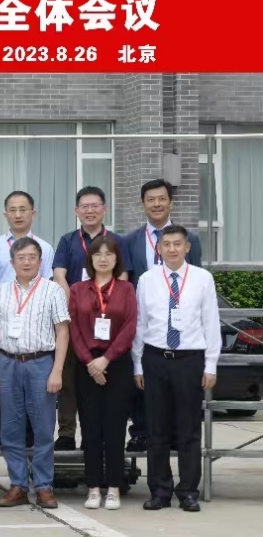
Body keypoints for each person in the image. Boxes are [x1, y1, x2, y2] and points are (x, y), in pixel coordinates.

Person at [133, 225, 220, 513]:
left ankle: (188, 491)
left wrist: (211, 364)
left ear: (187, 247)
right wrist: (137, 364)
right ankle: (159, 491)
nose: (172, 249)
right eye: (166, 244)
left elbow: (210, 322)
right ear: (159, 248)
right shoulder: (147, 280)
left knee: (188, 429)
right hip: (155, 358)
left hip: (189, 360)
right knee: (156, 429)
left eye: (177, 244)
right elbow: (140, 324)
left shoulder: (202, 279)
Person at [121, 178, 203, 453]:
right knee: (142, 377)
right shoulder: (130, 240)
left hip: (181, 323)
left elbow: (197, 278)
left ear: (170, 202)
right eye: (150, 200)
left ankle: (177, 434)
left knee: (180, 384)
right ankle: (141, 432)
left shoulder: (190, 240)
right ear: (142, 204)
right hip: (146, 321)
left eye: (161, 199)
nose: (156, 204)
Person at [0, 238, 70, 510]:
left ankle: (44, 486)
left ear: (40, 261)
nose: (26, 262)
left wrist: (57, 370)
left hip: (40, 363)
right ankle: (18, 485)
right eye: (21, 257)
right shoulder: (0, 291)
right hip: (8, 362)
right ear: (12, 262)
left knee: (43, 428)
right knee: (10, 428)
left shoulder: (52, 290)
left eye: (32, 257)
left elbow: (62, 332)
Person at [51, 186, 128, 451]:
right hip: (74, 319)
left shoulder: (117, 241)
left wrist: (108, 306)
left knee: (104, 376)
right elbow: (59, 275)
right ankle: (66, 433)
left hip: (108, 322)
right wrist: (73, 305)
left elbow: (122, 276)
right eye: (85, 206)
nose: (90, 211)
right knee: (69, 378)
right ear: (77, 211)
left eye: (95, 206)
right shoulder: (67, 241)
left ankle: (96, 433)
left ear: (104, 209)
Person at [0, 190, 55, 448]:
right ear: (5, 214)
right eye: (13, 210)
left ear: (33, 213)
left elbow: (47, 282)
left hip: (33, 323)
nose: (18, 214)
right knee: (2, 380)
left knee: (33, 390)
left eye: (23, 209)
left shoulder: (44, 248)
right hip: (3, 319)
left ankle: (31, 437)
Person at [69, 235, 136, 511]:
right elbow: (73, 328)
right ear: (91, 259)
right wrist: (90, 362)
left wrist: (106, 360)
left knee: (115, 428)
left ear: (116, 259)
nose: (104, 258)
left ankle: (114, 487)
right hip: (86, 366)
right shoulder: (77, 289)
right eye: (98, 254)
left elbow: (130, 326)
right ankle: (94, 487)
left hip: (116, 364)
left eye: (109, 254)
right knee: (91, 429)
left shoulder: (126, 289)